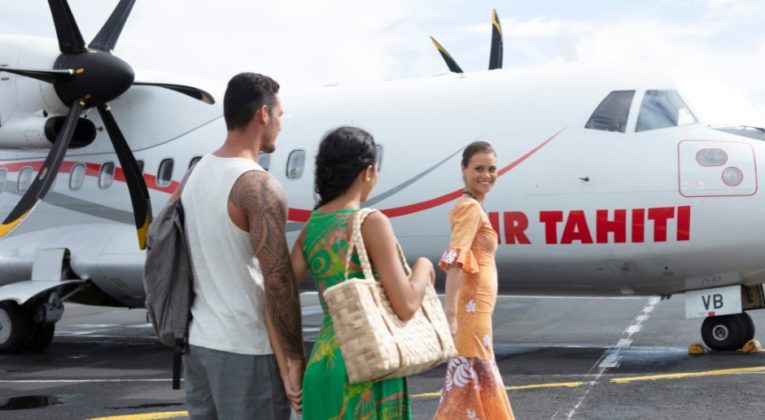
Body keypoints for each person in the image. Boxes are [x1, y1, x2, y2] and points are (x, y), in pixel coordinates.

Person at [177, 72, 305, 419]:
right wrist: (293, 358)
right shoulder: (257, 186)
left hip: (200, 344)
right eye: (279, 115)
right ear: (263, 114)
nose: (280, 125)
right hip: (246, 348)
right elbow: (277, 281)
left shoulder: (195, 174)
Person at [290, 126, 435, 419]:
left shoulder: (311, 227)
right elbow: (406, 304)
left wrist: (290, 361)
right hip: (368, 365)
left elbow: (278, 293)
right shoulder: (371, 222)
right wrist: (424, 268)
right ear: (367, 172)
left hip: (322, 366)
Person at [434, 141, 514, 419]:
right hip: (471, 310)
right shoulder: (469, 208)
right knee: (476, 375)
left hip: (477, 309)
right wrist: (450, 315)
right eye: (478, 169)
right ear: (464, 169)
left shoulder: (474, 207)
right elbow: (456, 258)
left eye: (492, 169)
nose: (486, 175)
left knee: (472, 379)